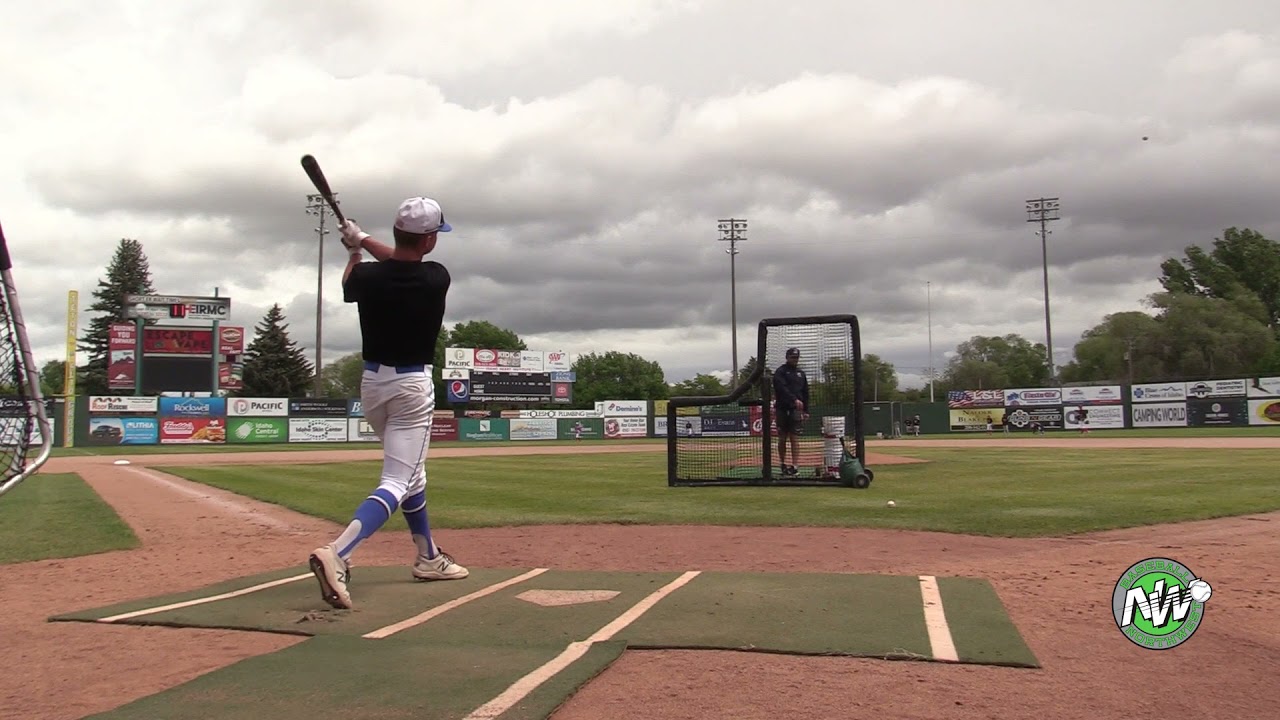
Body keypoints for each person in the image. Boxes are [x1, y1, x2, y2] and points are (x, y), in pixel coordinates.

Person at [307, 196, 468, 611]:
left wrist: (355, 246)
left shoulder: (368, 277)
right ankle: (338, 553)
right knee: (397, 480)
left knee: (412, 474)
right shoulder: (436, 277)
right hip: (412, 388)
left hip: (372, 386)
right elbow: (403, 261)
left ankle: (428, 557)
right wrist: (360, 240)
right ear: (429, 239)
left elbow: (352, 282)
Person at [772, 347, 810, 476]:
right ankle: (782, 463)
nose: (795, 360)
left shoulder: (801, 373)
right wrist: (794, 399)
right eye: (793, 357)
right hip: (782, 408)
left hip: (796, 411)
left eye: (797, 357)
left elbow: (805, 393)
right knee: (782, 438)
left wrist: (806, 410)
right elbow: (781, 388)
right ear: (787, 357)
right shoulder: (780, 372)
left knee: (795, 438)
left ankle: (795, 465)